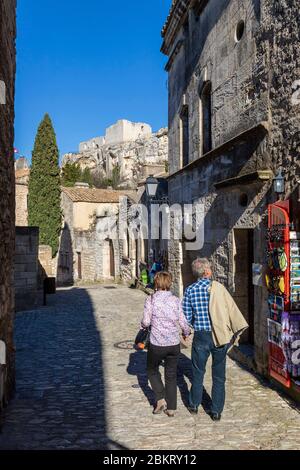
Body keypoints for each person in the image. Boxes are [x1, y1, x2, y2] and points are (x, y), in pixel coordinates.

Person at [183, 258, 248, 421]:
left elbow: (186, 316)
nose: (211, 271)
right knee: (219, 374)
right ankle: (216, 410)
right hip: (219, 336)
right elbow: (230, 309)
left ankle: (194, 404)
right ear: (206, 272)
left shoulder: (190, 290)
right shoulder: (219, 288)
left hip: (201, 336)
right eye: (210, 269)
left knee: (198, 372)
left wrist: (194, 324)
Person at [141, 271, 191, 417]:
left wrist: (143, 327)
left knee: (151, 370)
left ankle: (160, 398)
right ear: (169, 283)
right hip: (173, 344)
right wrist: (186, 333)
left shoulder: (151, 300)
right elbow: (183, 321)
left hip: (157, 343)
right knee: (171, 374)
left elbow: (146, 322)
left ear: (156, 283)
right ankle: (172, 408)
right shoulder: (175, 300)